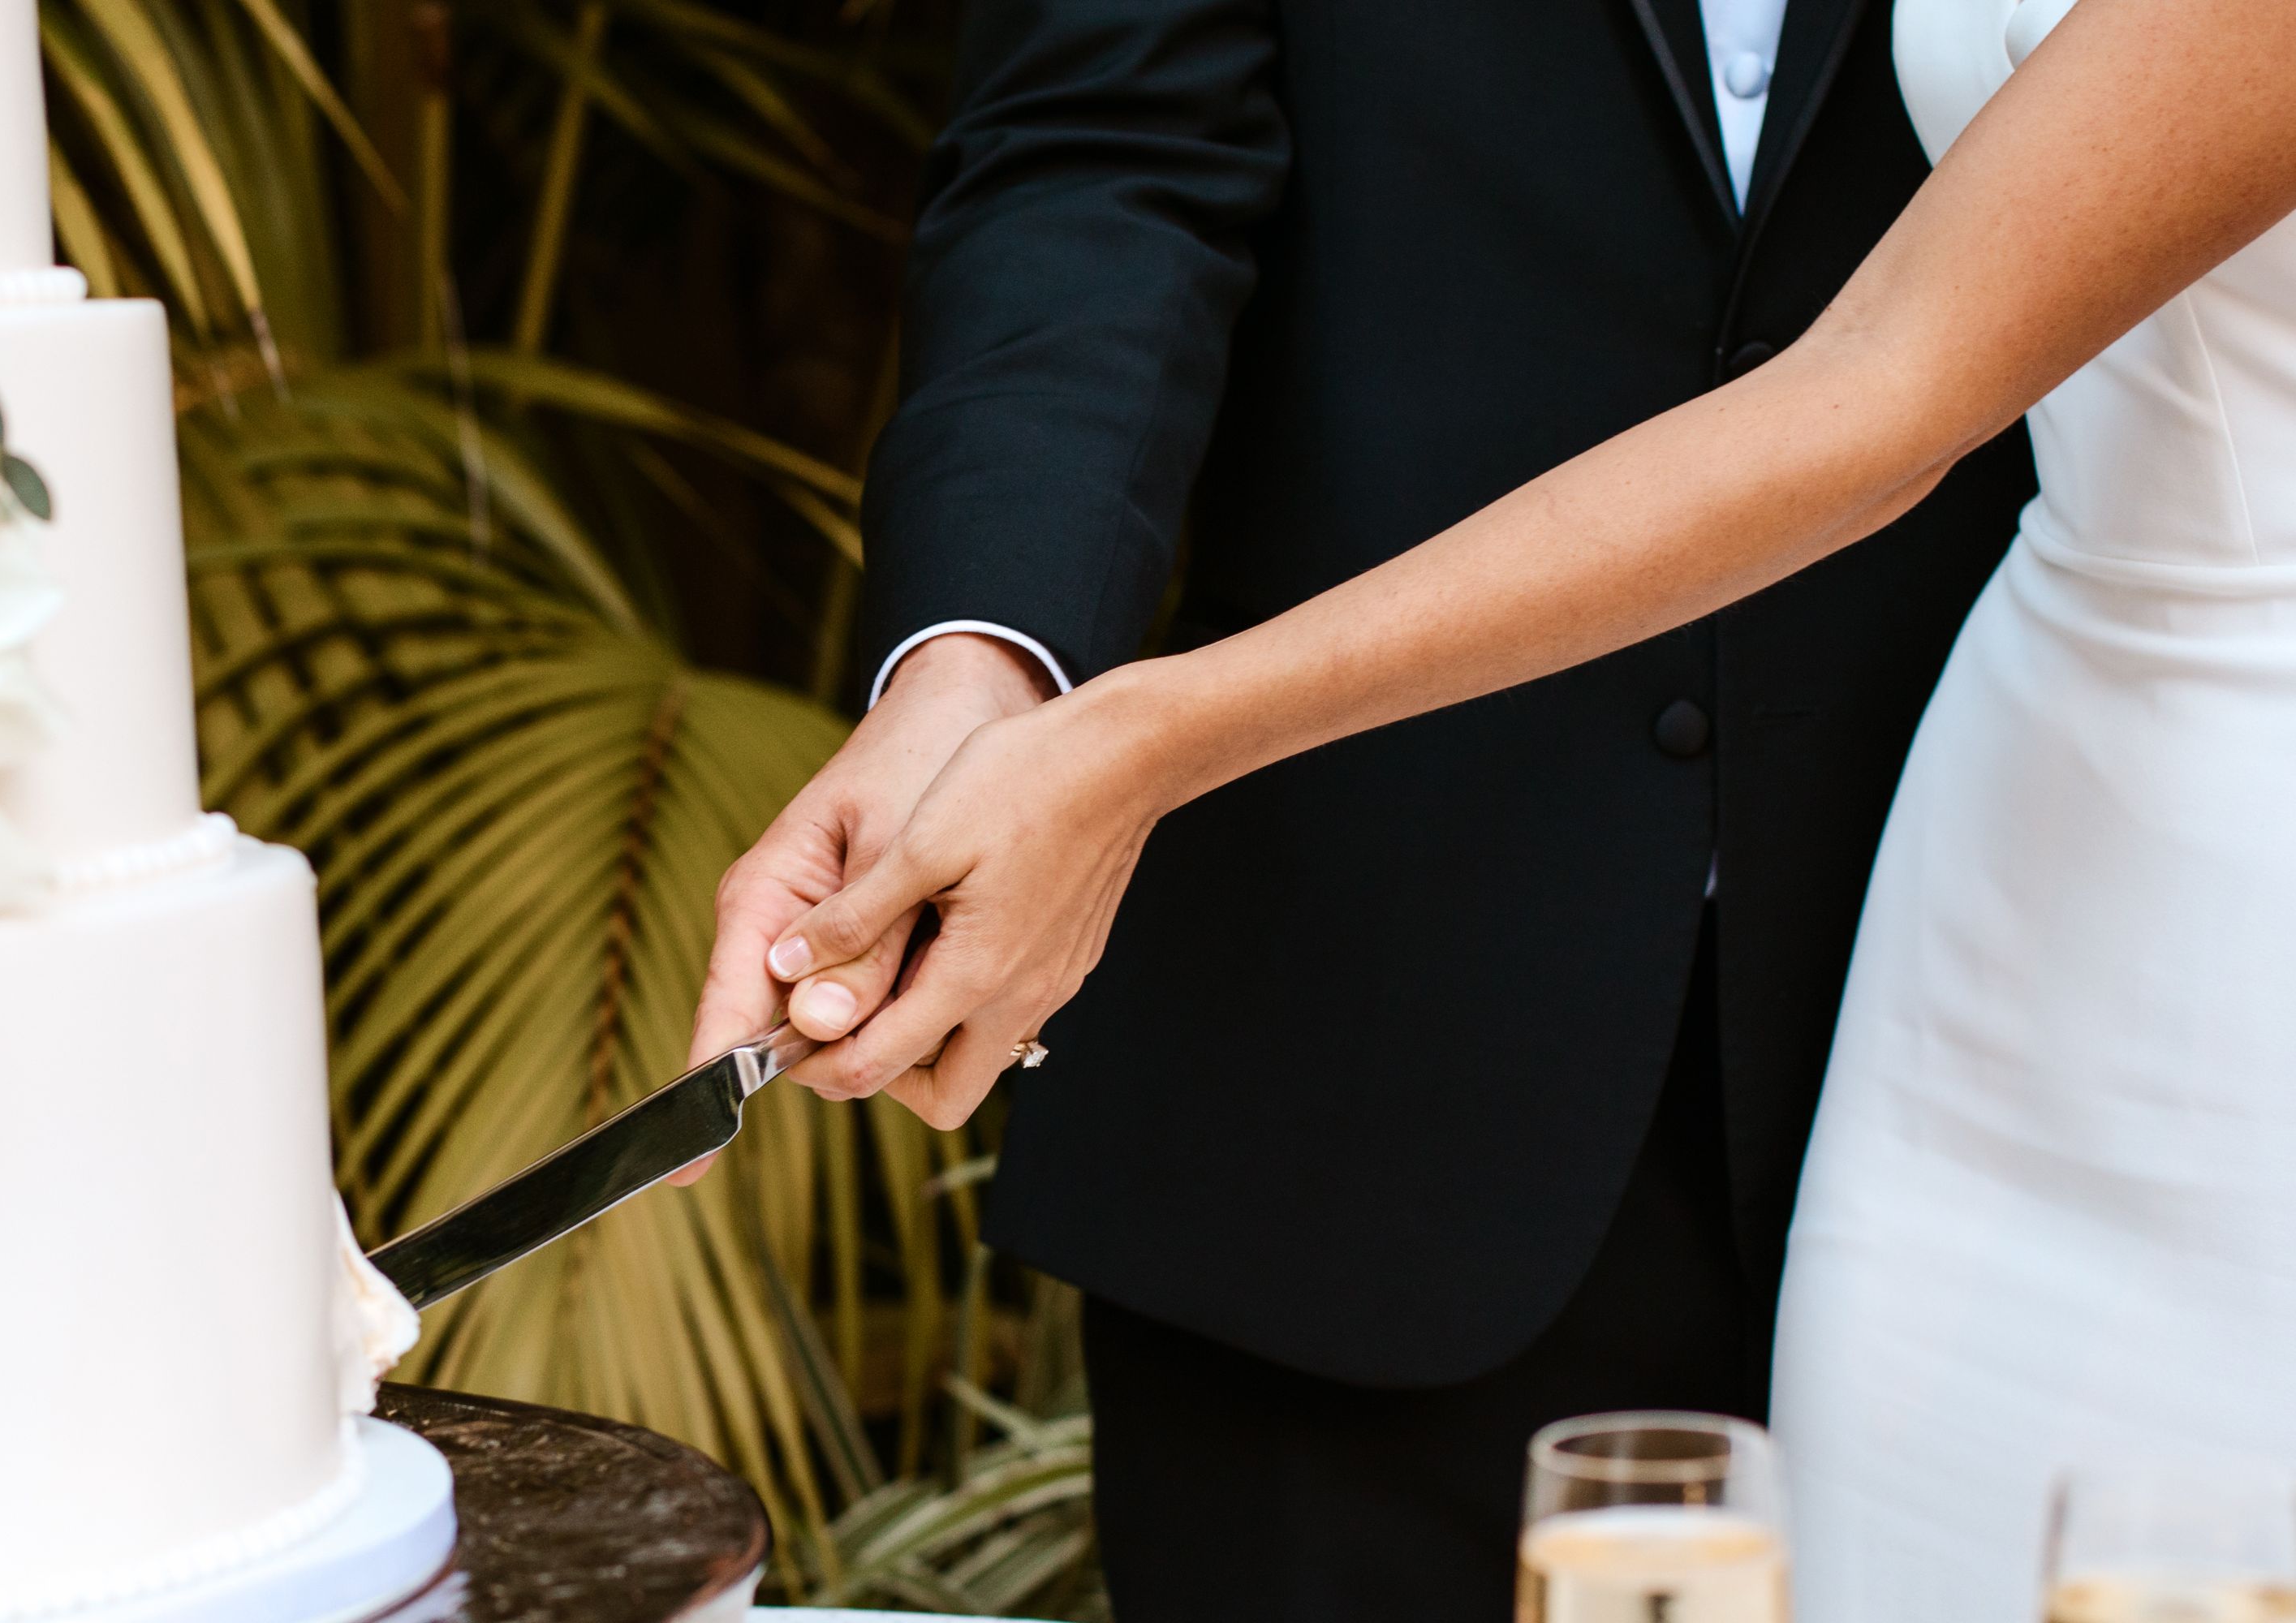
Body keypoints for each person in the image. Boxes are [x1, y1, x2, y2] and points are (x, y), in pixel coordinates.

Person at [717, 0, 2296, 1614]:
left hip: (2088, 943)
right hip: (1394, 1033)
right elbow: (1102, 147)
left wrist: (1146, 740)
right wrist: (985, 671)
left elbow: (1892, 376)